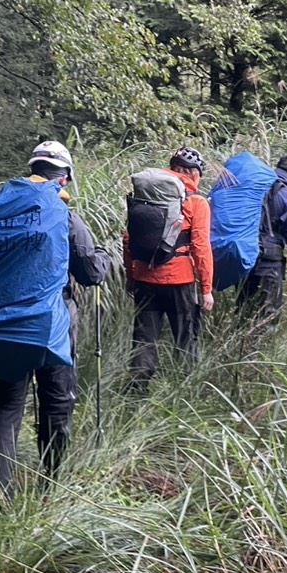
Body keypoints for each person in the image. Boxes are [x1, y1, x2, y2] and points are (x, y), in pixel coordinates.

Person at [0, 140, 111, 492]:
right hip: (54, 327)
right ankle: (51, 485)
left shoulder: (6, 211)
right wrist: (103, 256)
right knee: (57, 403)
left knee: (8, 406)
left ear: (33, 171)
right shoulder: (66, 217)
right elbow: (90, 273)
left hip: (7, 324)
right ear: (65, 178)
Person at [125, 146, 213, 390]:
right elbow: (200, 247)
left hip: (144, 280)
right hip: (180, 282)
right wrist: (206, 289)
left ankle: (135, 393)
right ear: (194, 174)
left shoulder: (144, 194)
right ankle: (186, 391)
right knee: (186, 339)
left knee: (144, 341)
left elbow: (128, 239)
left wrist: (131, 276)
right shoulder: (196, 202)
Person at [240, 153, 287, 325]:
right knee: (266, 318)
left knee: (243, 313)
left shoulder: (256, 188)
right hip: (268, 264)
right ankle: (262, 350)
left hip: (244, 259)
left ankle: (238, 349)